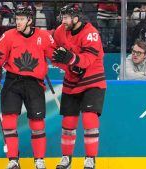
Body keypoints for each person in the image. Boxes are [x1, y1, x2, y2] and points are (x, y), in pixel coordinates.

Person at [0, 6, 55, 169]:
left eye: (22, 19)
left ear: (30, 21)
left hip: (34, 83)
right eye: (17, 19)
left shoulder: (44, 36)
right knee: (9, 122)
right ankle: (13, 160)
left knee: (37, 123)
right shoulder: (7, 36)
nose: (18, 22)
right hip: (13, 82)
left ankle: (39, 160)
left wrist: (71, 63)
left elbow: (56, 56)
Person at [52, 4, 106, 169]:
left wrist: (71, 59)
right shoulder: (61, 31)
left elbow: (87, 61)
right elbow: (55, 54)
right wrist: (67, 64)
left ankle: (90, 159)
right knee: (68, 121)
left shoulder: (91, 34)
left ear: (76, 18)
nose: (63, 20)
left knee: (90, 118)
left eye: (66, 17)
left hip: (93, 80)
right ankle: (66, 158)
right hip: (71, 81)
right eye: (62, 17)